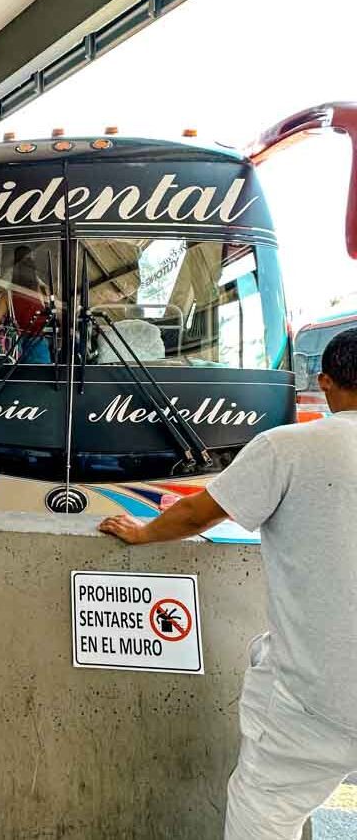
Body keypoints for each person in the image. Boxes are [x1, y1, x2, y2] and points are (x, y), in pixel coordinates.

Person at [98, 327, 357, 840]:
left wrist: (142, 531)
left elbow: (197, 515)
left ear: (324, 382)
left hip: (317, 700)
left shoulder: (289, 447)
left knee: (264, 810)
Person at [0, 245, 52, 364]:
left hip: (16, 348)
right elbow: (57, 316)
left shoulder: (7, 295)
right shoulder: (44, 291)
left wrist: (4, 337)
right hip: (40, 347)